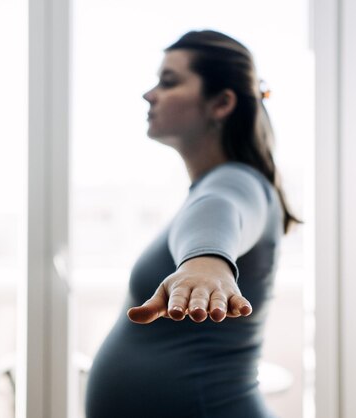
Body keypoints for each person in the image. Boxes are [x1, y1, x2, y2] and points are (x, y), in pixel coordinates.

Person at [84, 30, 299, 418]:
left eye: (169, 82)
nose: (150, 95)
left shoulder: (238, 181)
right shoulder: (213, 186)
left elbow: (220, 209)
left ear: (221, 103)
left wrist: (205, 262)